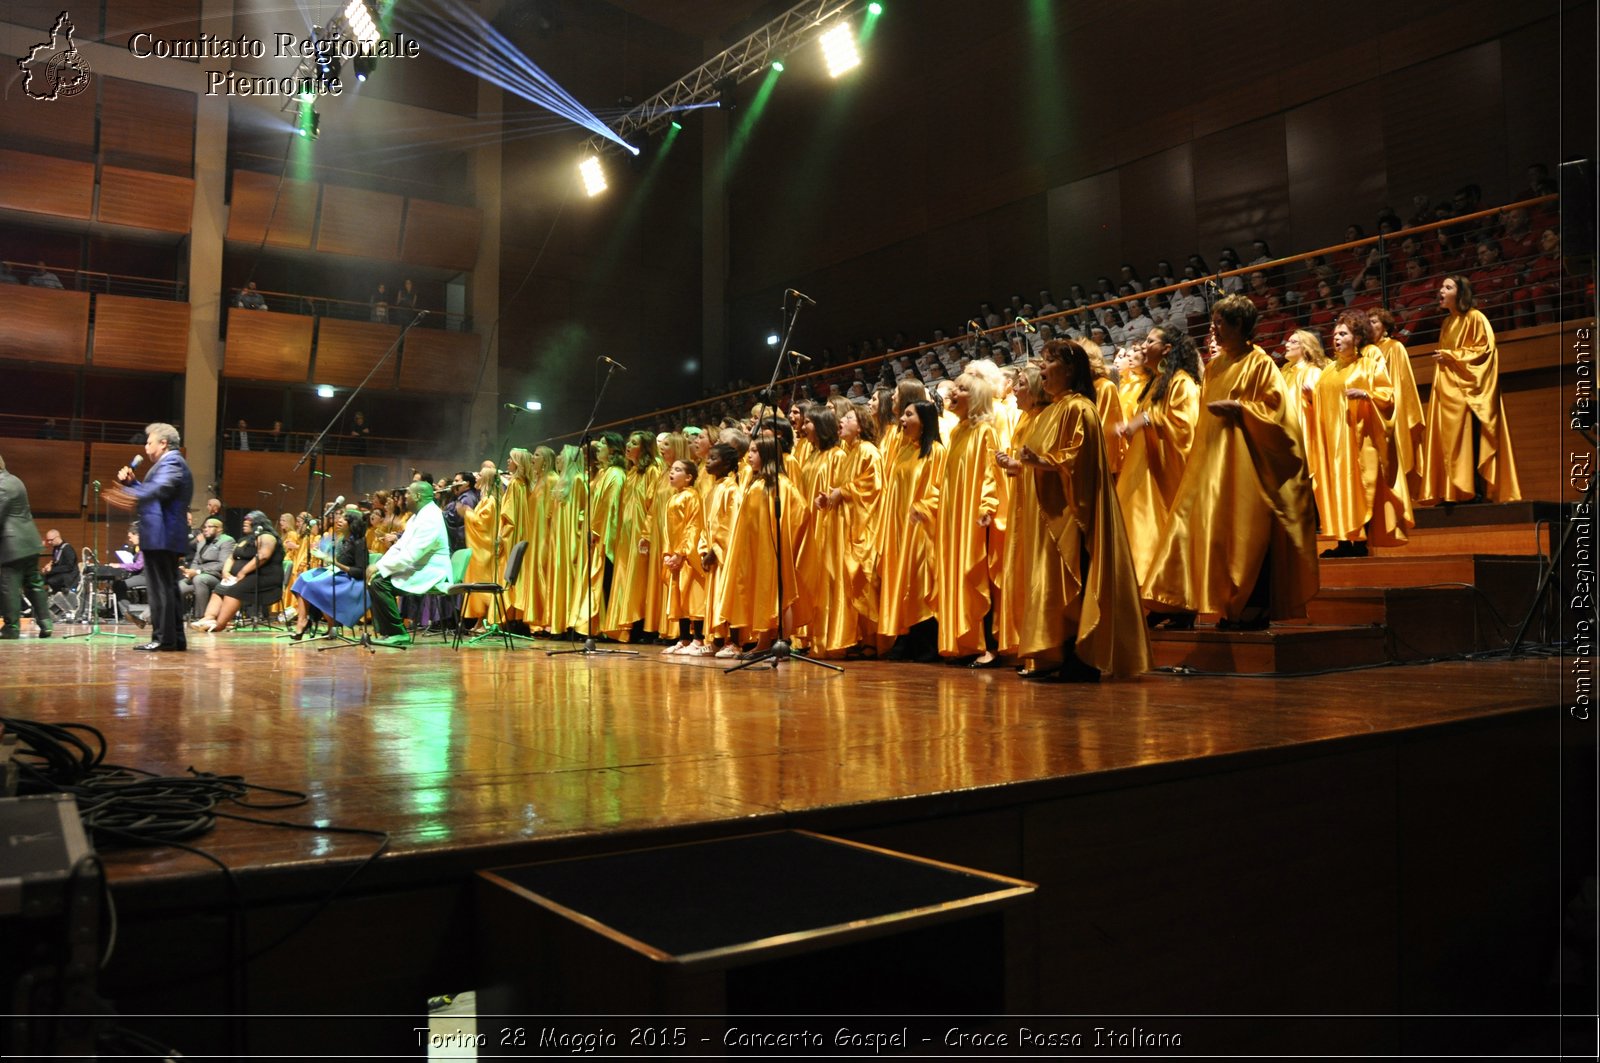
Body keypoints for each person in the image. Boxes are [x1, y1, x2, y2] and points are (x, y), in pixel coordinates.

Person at [1142, 294, 1318, 631]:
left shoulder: (1260, 363)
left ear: (1240, 326)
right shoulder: (1215, 366)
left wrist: (1242, 410)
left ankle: (1250, 609)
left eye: (1221, 322)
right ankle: (1190, 602)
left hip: (1247, 468)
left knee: (1247, 536)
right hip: (1212, 464)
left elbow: (1280, 417)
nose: (1213, 328)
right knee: (1199, 530)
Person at [999, 340, 1150, 681]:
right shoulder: (1050, 411)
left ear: (1069, 370)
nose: (1041, 368)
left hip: (1071, 515)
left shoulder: (1080, 407)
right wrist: (1024, 465)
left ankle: (1083, 658)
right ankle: (1058, 653)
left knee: (1076, 581)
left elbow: (1078, 456)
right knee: (1053, 588)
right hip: (1049, 517)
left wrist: (1043, 462)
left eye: (1049, 361)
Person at [1306, 311, 1409, 558]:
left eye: (1343, 333)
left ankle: (1361, 542)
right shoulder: (1328, 371)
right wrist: (1311, 396)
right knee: (1337, 490)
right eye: (1335, 334)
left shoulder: (1367, 364)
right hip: (1333, 445)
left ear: (1357, 336)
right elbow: (1322, 408)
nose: (1336, 338)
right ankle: (1343, 542)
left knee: (1362, 488)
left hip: (1359, 442)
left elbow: (1387, 396)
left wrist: (1366, 396)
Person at [1419, 275, 1522, 504]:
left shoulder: (1476, 318)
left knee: (1471, 440)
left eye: (1447, 287)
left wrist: (1452, 356)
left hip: (1469, 394)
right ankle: (1454, 490)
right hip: (1450, 394)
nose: (1441, 291)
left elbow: (1484, 351)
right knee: (1450, 443)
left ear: (1461, 292)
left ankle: (1473, 490)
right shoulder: (1448, 322)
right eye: (1441, 287)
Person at [1114, 327, 1203, 588]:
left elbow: (1185, 425)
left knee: (1165, 534)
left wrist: (1144, 420)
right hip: (1145, 471)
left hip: (1165, 475)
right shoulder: (1157, 383)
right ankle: (1154, 594)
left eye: (1150, 341)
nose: (1143, 345)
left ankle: (1174, 599)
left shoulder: (1181, 381)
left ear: (1167, 349)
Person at [106, 422, 194, 650]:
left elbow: (159, 490)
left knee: (161, 589)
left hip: (162, 534)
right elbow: (157, 492)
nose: (145, 447)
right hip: (164, 534)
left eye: (149, 442)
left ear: (163, 443)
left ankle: (163, 639)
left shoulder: (172, 461)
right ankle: (174, 639)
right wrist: (132, 484)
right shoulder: (169, 463)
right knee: (168, 588)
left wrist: (127, 491)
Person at [368, 480, 452, 645]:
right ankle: (388, 632)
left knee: (379, 583)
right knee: (377, 579)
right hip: (418, 568)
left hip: (432, 572)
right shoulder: (418, 515)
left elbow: (410, 555)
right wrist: (380, 565)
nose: (404, 498)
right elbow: (399, 547)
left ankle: (398, 633)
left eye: (407, 494)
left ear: (418, 496)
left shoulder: (431, 517)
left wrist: (378, 566)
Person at [192, 509, 279, 633]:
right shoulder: (244, 540)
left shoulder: (266, 536)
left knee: (233, 591)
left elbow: (263, 555)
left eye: (248, 521)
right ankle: (208, 618)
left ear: (258, 523)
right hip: (243, 576)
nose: (244, 523)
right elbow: (231, 557)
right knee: (220, 587)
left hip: (263, 576)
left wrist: (242, 572)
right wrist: (226, 572)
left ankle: (220, 624)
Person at [289, 507, 370, 639]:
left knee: (313, 586)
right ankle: (303, 621)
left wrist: (333, 562)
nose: (339, 520)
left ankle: (332, 625)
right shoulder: (341, 540)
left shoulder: (359, 542)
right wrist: (324, 557)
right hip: (336, 573)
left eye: (344, 519)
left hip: (350, 580)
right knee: (302, 579)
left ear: (352, 523)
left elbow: (360, 572)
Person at [0, 453, 52, 639]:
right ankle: (46, 623)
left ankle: (11, 627)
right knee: (34, 584)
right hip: (30, 541)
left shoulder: (2, 485)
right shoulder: (15, 480)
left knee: (9, 587)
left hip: (13, 545)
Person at [179, 517, 233, 619]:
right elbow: (195, 561)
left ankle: (201, 617)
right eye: (204, 527)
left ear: (219, 529)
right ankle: (150, 617)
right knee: (180, 585)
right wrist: (190, 572)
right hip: (198, 576)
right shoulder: (202, 542)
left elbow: (223, 564)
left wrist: (198, 572)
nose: (205, 529)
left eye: (209, 527)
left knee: (200, 579)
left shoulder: (227, 540)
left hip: (216, 576)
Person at [42, 528, 78, 596]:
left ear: (57, 537)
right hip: (60, 574)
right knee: (41, 578)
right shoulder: (56, 548)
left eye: (51, 540)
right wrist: (49, 566)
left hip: (68, 577)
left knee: (51, 580)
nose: (49, 542)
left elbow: (69, 567)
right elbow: (56, 561)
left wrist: (52, 570)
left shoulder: (67, 549)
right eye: (48, 540)